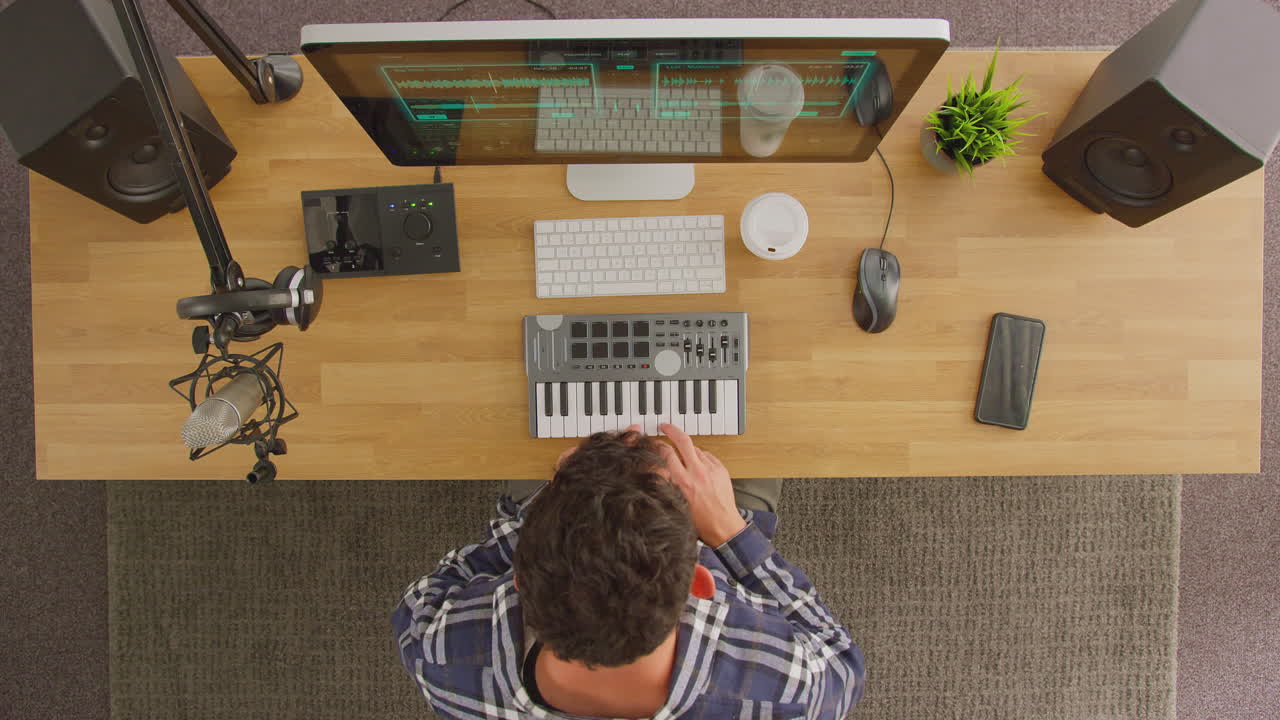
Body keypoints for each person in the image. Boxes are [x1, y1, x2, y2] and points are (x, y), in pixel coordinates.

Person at [392, 423, 864, 719]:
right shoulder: (789, 692)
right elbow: (841, 664)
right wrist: (727, 528)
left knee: (523, 417)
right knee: (760, 409)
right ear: (702, 582)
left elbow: (438, 585)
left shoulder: (440, 652)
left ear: (519, 578)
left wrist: (554, 509)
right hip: (721, 532)